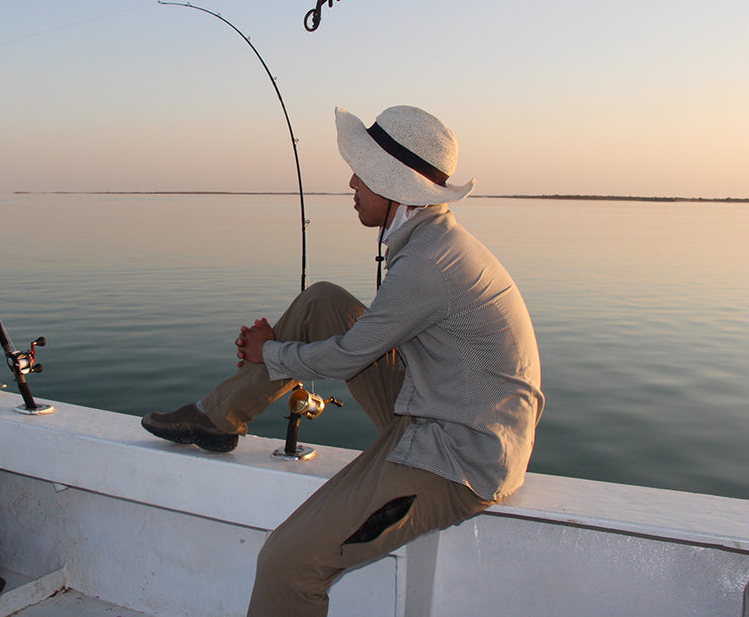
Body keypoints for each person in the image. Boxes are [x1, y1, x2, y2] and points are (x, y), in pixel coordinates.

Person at [141, 105, 543, 616]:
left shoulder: (428, 262)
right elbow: (361, 341)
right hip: (437, 407)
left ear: (395, 186)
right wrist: (277, 355)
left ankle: (228, 407)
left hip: (457, 455)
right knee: (323, 300)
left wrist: (270, 351)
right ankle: (218, 416)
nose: (351, 181)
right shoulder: (429, 238)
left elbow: (351, 355)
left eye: (364, 172)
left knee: (288, 565)